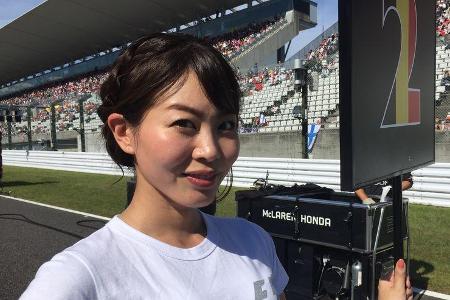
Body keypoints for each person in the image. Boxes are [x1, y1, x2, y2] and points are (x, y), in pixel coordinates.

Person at [21, 33, 412, 300]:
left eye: (225, 125)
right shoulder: (77, 279)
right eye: (184, 124)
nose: (211, 149)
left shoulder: (254, 241)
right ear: (124, 132)